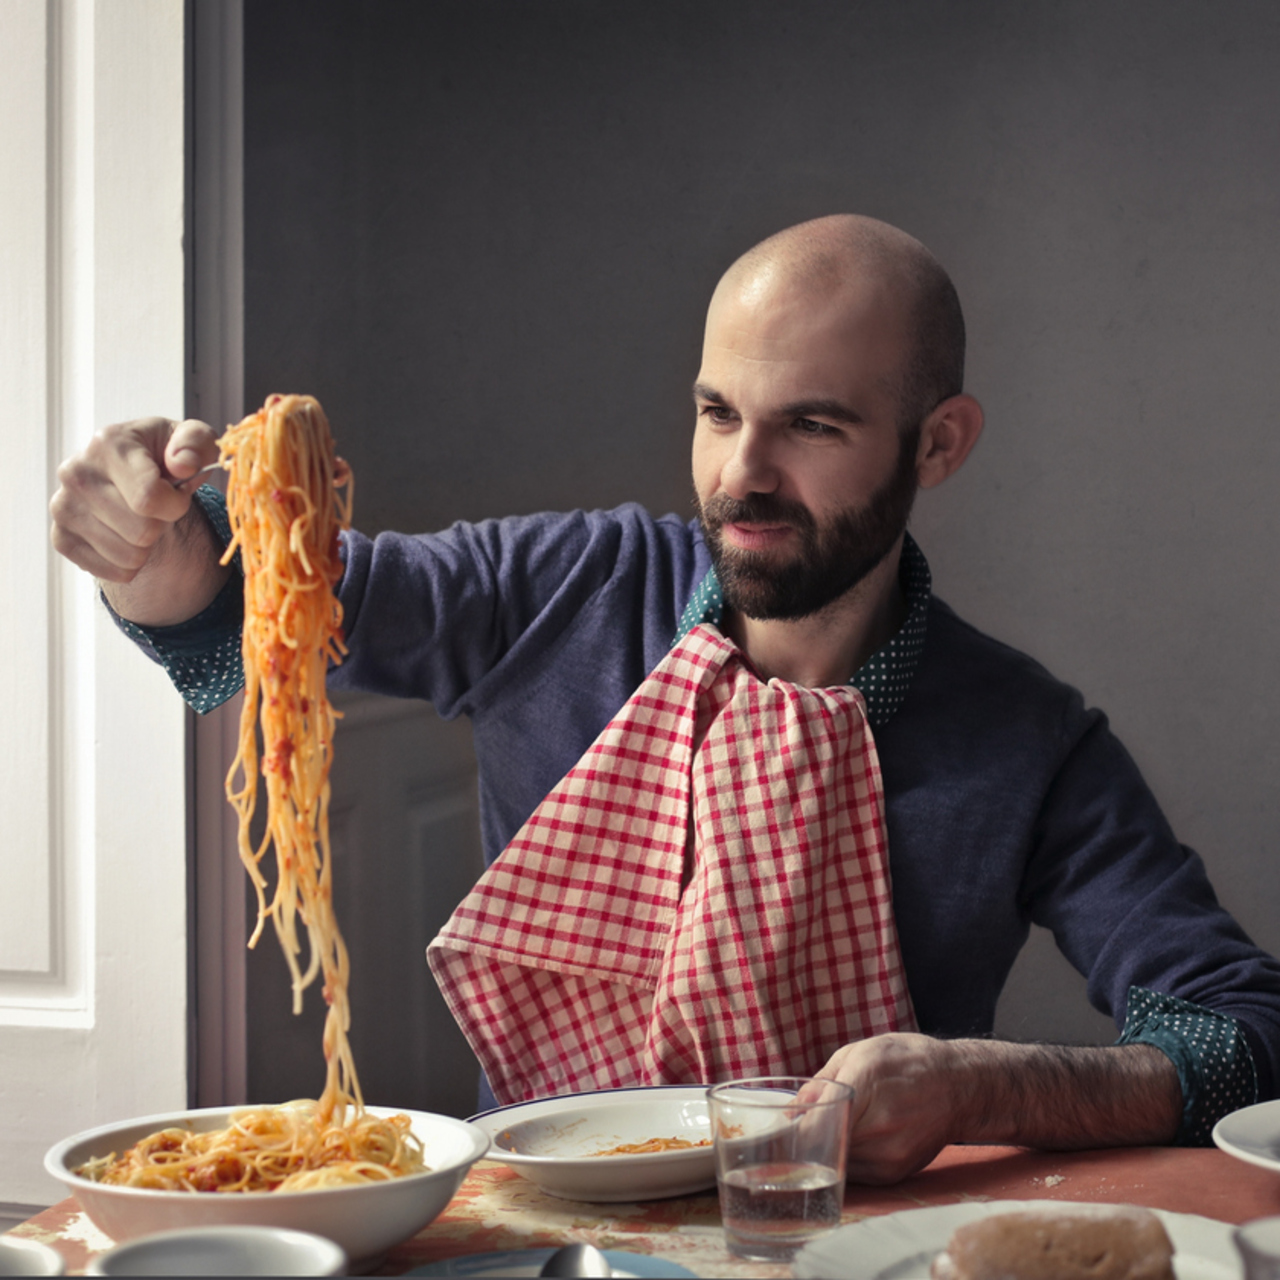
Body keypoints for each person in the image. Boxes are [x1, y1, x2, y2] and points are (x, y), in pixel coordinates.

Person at [50, 214, 1280, 1185]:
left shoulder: (1025, 739)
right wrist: (154, 555)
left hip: (850, 1235)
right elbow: (270, 596)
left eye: (809, 424)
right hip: (535, 1228)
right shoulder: (565, 587)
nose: (740, 474)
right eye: (714, 413)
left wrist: (980, 1086)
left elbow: (1241, 1035)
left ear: (937, 441)